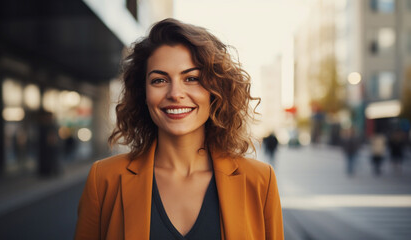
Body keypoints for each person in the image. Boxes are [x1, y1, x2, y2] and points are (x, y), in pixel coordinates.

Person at [74, 18, 284, 240]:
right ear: (143, 93)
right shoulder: (104, 179)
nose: (175, 93)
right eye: (159, 80)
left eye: (191, 78)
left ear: (215, 91)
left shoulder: (260, 181)